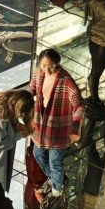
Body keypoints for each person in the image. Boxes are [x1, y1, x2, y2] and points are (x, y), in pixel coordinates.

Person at [28, 49, 86, 196]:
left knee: (55, 163)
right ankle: (57, 180)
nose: (46, 69)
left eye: (50, 66)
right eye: (43, 65)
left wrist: (75, 129)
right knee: (38, 155)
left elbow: (79, 105)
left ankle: (57, 191)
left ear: (57, 64)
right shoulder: (39, 74)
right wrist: (23, 99)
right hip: (41, 127)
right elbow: (32, 88)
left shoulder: (65, 80)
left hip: (58, 131)